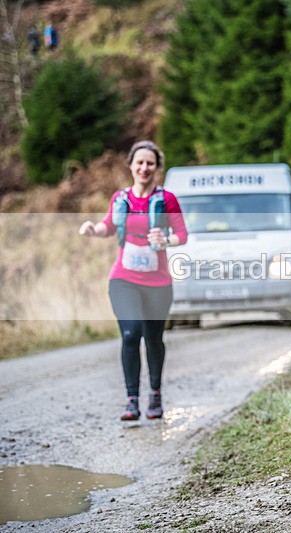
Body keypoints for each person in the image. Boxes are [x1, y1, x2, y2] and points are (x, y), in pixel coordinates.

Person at [79, 141, 188, 420]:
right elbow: (108, 226)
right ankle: (131, 401)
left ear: (156, 167)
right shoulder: (120, 198)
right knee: (131, 333)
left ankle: (155, 395)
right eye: (139, 162)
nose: (144, 168)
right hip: (124, 278)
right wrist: (93, 228)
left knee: (154, 338)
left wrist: (166, 240)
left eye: (150, 163)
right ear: (130, 165)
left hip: (158, 282)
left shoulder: (167, 199)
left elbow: (182, 234)